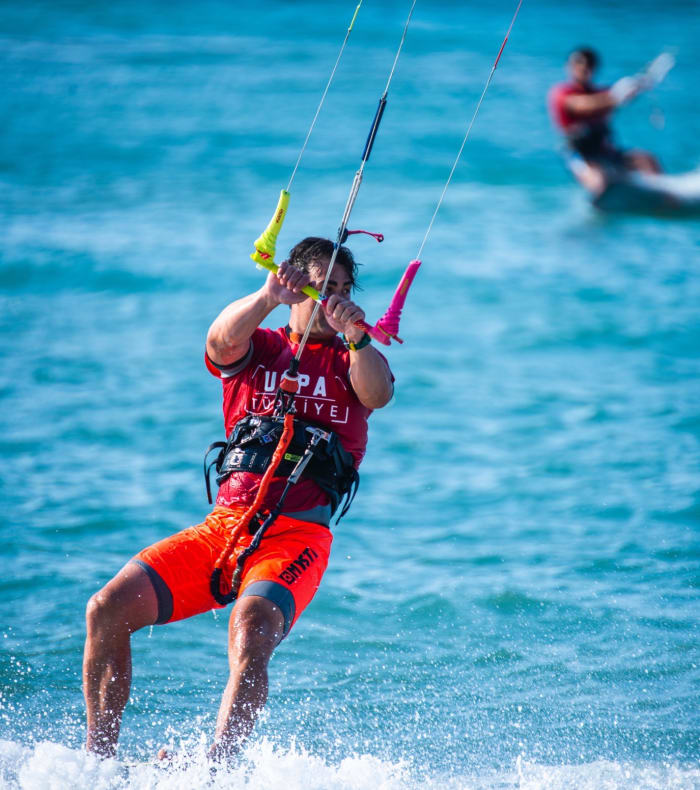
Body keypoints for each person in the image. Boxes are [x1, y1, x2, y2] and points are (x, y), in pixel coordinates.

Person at [82, 237, 394, 762]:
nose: (334, 299)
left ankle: (216, 771)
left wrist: (358, 338)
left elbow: (378, 394)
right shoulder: (263, 346)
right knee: (106, 609)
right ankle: (98, 764)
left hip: (297, 536)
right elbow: (219, 342)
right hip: (223, 528)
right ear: (296, 285)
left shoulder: (353, 358)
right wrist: (267, 295)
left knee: (250, 632)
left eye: (343, 289)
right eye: (322, 287)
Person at [548, 47, 662, 195]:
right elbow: (583, 104)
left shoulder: (602, 92)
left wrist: (636, 88)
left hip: (605, 151)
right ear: (569, 66)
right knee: (598, 181)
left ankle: (661, 196)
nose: (582, 68)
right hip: (579, 155)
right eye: (578, 64)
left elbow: (615, 99)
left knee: (647, 161)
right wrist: (617, 96)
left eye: (587, 65)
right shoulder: (561, 93)